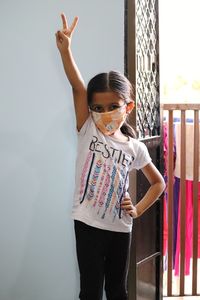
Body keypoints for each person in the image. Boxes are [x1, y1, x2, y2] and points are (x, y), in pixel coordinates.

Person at [55, 13, 165, 300]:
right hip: (88, 224)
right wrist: (66, 51)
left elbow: (158, 183)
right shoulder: (87, 129)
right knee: (90, 290)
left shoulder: (134, 146)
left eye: (112, 106)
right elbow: (78, 87)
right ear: (90, 109)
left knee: (117, 290)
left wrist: (138, 209)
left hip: (121, 227)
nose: (105, 113)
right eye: (98, 107)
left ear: (128, 106)